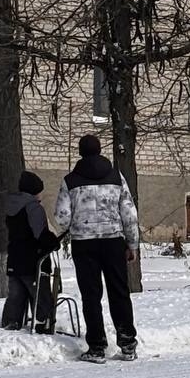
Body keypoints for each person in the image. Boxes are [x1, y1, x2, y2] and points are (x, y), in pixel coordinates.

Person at [51, 134, 140, 363]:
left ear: (80, 153)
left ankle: (97, 347)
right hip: (113, 241)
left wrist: (72, 227)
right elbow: (129, 213)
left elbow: (62, 217)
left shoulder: (70, 180)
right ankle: (127, 342)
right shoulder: (116, 177)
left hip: (84, 243)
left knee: (91, 295)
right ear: (100, 150)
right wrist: (132, 244)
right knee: (119, 292)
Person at [0, 170, 60, 333]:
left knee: (15, 295)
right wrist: (52, 242)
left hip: (15, 257)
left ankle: (11, 321)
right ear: (35, 191)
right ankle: (42, 322)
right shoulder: (33, 208)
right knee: (40, 293)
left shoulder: (11, 206)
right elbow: (39, 232)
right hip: (33, 259)